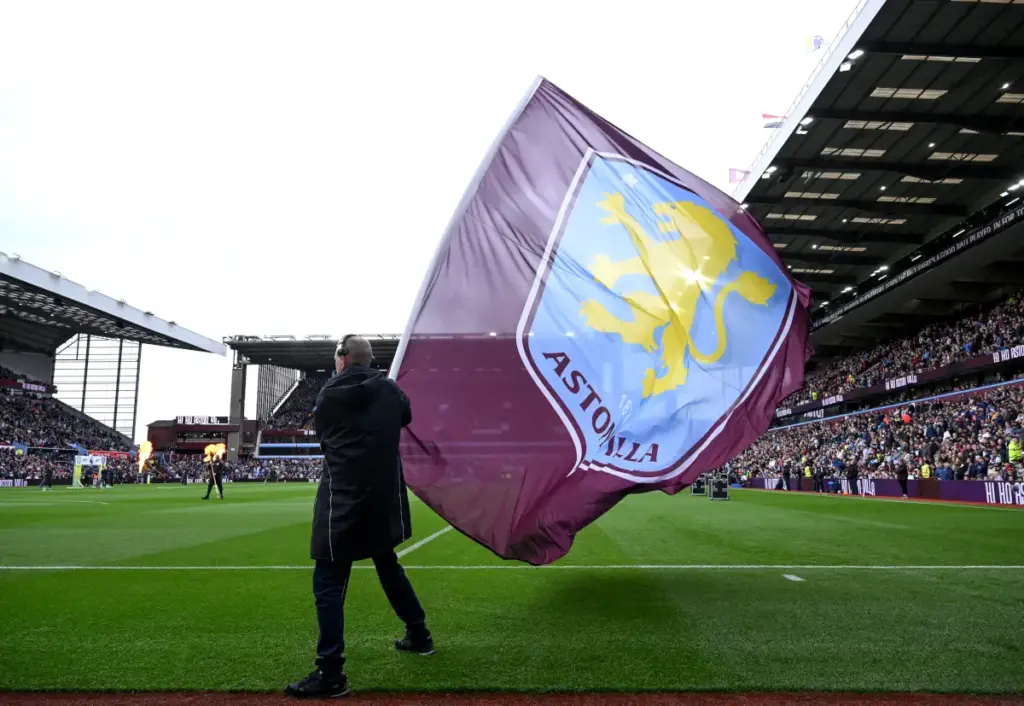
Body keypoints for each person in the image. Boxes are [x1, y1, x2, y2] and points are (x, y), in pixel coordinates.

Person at [285, 335, 433, 699]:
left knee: (329, 581)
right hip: (383, 499)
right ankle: (419, 634)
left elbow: (326, 440)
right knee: (387, 565)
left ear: (344, 357)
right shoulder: (391, 391)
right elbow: (406, 416)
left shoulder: (329, 395)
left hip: (342, 501)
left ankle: (331, 672)